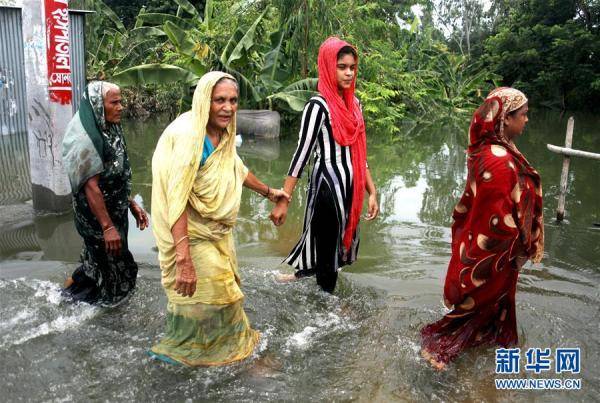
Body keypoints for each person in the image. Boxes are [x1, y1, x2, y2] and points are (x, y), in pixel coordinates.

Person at [149, 71, 289, 366]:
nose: (227, 107)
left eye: (233, 101)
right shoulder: (190, 136)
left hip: (216, 230)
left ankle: (216, 345)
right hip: (188, 232)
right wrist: (183, 257)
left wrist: (269, 192)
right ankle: (181, 354)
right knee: (220, 293)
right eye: (220, 100)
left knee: (223, 288)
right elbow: (177, 200)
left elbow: (236, 168)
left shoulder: (222, 133)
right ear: (204, 101)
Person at [420, 87, 544, 369]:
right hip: (495, 257)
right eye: (523, 115)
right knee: (478, 308)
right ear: (505, 119)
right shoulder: (499, 162)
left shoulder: (489, 152)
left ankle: (476, 353)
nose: (526, 121)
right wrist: (517, 249)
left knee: (487, 315)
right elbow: (498, 222)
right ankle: (438, 351)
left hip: (490, 253)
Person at [270, 37, 379, 293]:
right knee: (328, 253)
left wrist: (372, 192)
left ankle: (306, 277)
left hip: (350, 189)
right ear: (329, 66)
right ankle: (327, 310)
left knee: (334, 247)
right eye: (342, 66)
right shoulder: (317, 106)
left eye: (352, 67)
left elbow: (360, 153)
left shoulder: (355, 105)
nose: (349, 72)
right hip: (327, 189)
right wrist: (284, 199)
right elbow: (301, 154)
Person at [61, 81, 148, 306]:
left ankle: (71, 290)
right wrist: (107, 227)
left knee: (98, 260)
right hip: (97, 218)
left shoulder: (108, 127)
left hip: (112, 211)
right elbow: (91, 186)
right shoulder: (86, 139)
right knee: (115, 267)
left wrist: (130, 203)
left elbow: (113, 175)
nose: (121, 107)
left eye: (121, 101)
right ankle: (98, 310)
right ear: (99, 104)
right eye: (114, 102)